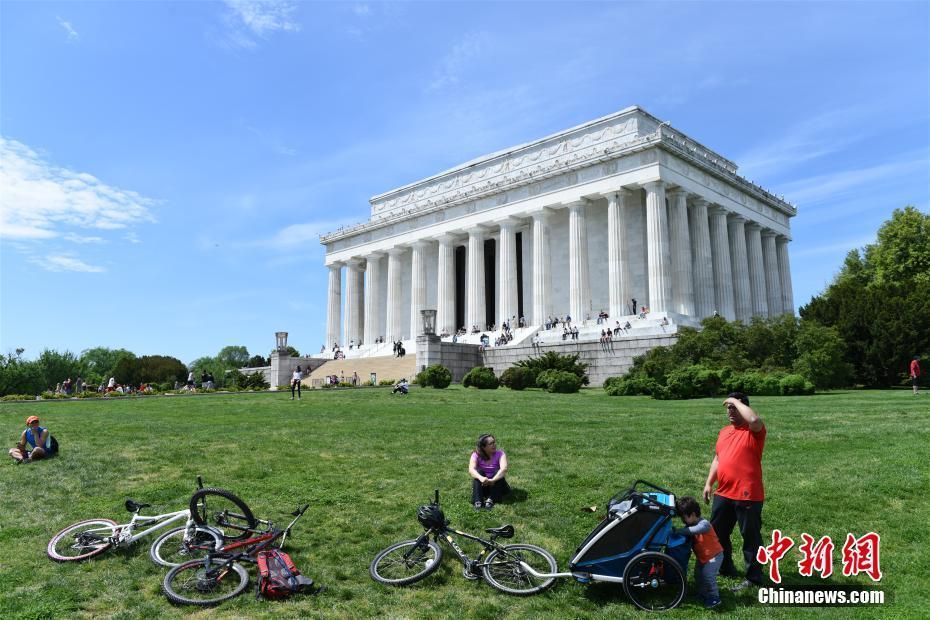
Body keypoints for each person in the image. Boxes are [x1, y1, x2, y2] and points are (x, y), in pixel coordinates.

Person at [703, 392, 766, 592]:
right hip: (724, 492)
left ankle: (754, 579)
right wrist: (708, 483)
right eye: (728, 408)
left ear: (742, 407)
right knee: (717, 533)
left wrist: (736, 401)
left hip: (748, 493)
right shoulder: (724, 432)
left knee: (750, 537)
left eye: (734, 407)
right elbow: (718, 459)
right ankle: (726, 567)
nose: (730, 411)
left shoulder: (753, 431)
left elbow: (754, 418)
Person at [675, 496, 724, 609]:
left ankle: (714, 597)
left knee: (708, 575)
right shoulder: (690, 524)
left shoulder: (704, 524)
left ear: (692, 514)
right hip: (703, 557)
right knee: (698, 575)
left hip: (714, 556)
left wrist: (678, 531)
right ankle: (703, 594)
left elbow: (693, 531)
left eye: (684, 518)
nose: (683, 520)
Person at [468, 434, 510, 510]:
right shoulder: (476, 455)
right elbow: (471, 470)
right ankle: (478, 502)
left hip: (497, 483)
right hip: (484, 484)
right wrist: (481, 478)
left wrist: (492, 480)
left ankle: (491, 500)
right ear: (483, 447)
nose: (494, 445)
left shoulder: (500, 454)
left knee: (498, 472)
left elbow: (504, 469)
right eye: (491, 444)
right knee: (478, 472)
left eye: (494, 442)